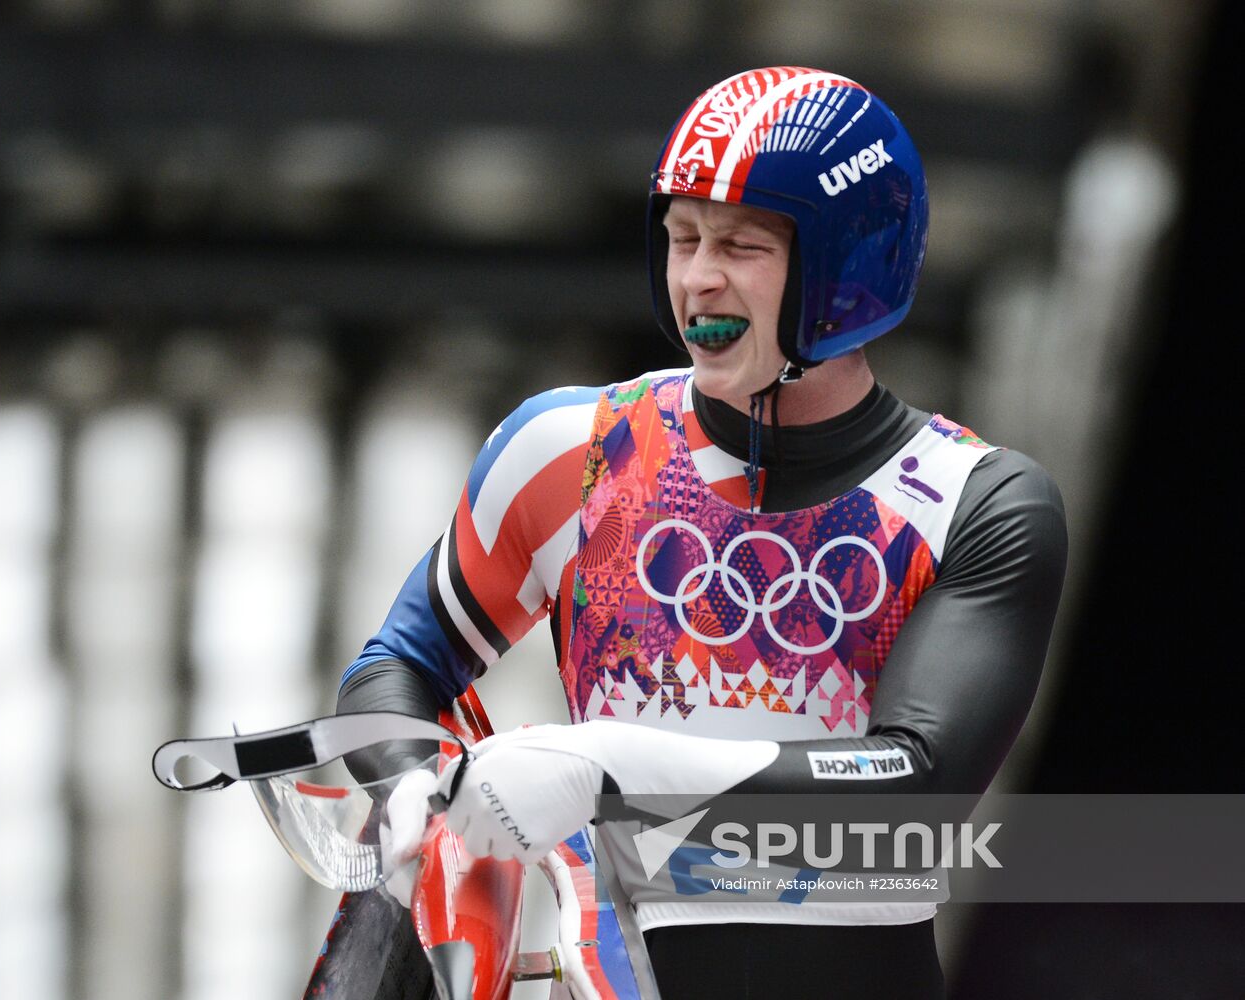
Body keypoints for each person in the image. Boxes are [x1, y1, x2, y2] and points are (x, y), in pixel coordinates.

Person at [338, 67, 1067, 999]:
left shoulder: (980, 502)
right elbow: (394, 667)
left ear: (849, 265)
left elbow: (908, 799)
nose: (697, 277)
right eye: (682, 238)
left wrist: (600, 766)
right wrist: (410, 786)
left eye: (742, 245)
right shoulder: (570, 452)